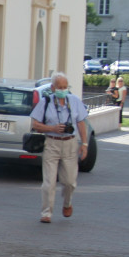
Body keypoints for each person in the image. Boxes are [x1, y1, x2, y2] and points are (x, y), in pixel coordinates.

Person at [30, 72, 89, 223]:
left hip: (70, 144)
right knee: (49, 182)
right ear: (53, 87)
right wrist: (52, 128)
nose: (63, 90)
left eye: (65, 87)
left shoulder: (74, 101)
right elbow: (35, 124)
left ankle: (67, 203)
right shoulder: (46, 102)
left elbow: (81, 123)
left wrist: (84, 144)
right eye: (59, 87)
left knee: (69, 182)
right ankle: (46, 213)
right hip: (52, 143)